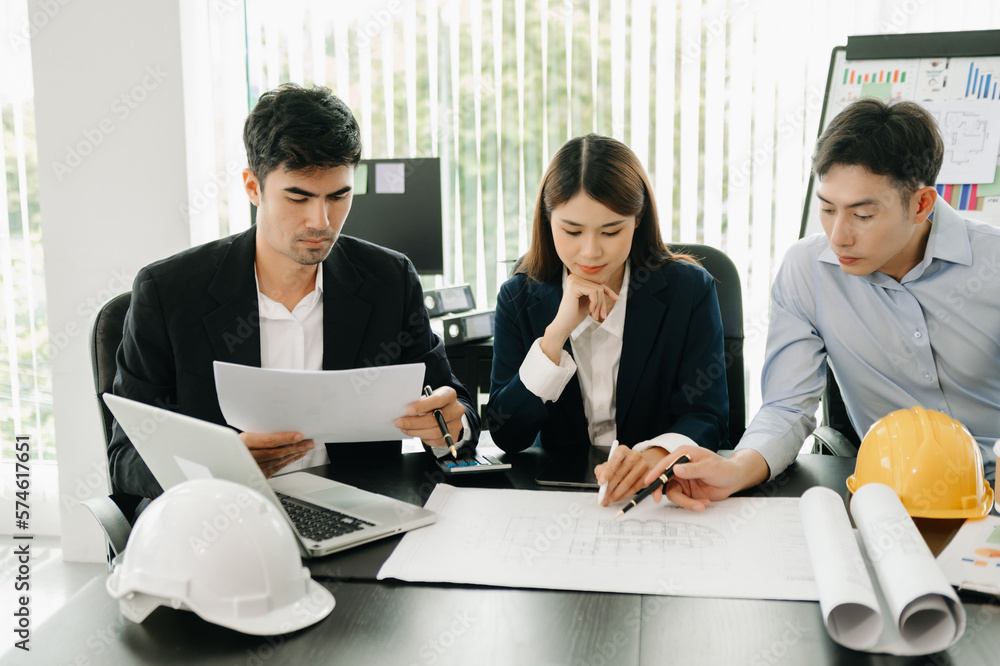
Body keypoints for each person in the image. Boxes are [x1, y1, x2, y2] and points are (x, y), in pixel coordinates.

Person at [108, 83, 480, 499]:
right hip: (220, 513)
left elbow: (454, 404)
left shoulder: (389, 280)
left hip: (356, 510)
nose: (320, 221)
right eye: (298, 197)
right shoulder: (168, 292)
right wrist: (217, 466)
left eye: (338, 196)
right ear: (253, 187)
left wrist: (452, 423)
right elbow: (126, 457)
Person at [644, 98, 1000, 511]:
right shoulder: (807, 271)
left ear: (921, 205)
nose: (838, 236)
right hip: (890, 501)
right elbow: (787, 405)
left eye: (862, 215)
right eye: (827, 209)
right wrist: (737, 468)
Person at [486, 134, 729, 505]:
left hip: (658, 496)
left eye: (612, 231)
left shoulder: (689, 291)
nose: (590, 251)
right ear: (547, 221)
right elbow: (507, 434)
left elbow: (707, 417)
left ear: (638, 220)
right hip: (553, 502)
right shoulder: (518, 298)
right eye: (572, 231)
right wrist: (554, 337)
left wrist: (653, 456)